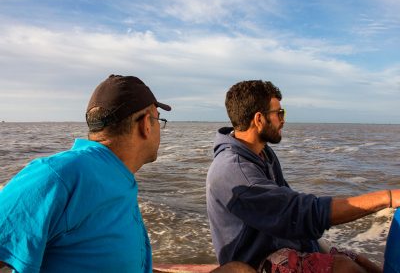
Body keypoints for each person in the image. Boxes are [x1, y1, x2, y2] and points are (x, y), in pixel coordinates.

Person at [206, 80, 399, 272]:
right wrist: (387, 198)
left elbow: (290, 204)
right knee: (344, 268)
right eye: (279, 113)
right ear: (259, 119)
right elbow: (297, 213)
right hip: (255, 261)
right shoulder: (234, 170)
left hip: (282, 245)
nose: (283, 119)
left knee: (359, 261)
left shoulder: (264, 153)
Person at [0, 75, 171, 272]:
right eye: (159, 120)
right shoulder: (61, 174)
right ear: (146, 125)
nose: (160, 128)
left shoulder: (116, 176)